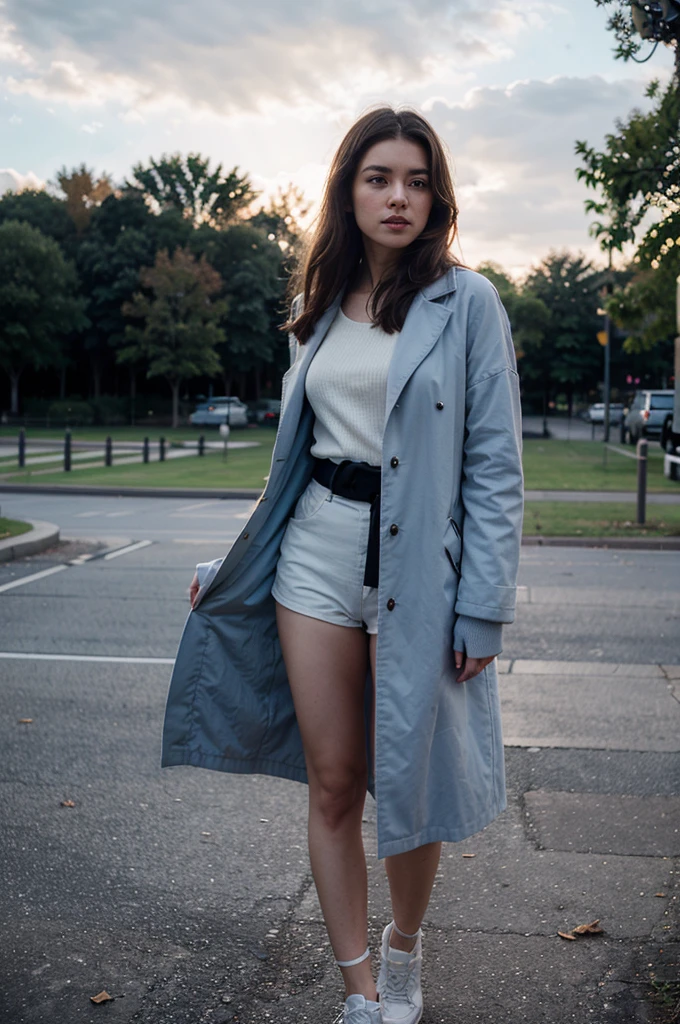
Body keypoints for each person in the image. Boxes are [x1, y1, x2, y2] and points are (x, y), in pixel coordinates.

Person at [162, 105, 524, 1024]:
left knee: (409, 779)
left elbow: (495, 467)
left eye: (414, 180)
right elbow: (292, 461)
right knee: (335, 781)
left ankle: (405, 950)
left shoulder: (468, 302)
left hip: (424, 576)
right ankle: (361, 990)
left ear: (436, 196)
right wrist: (235, 563)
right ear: (349, 191)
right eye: (377, 178)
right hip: (315, 559)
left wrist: (482, 607)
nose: (396, 196)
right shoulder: (316, 307)